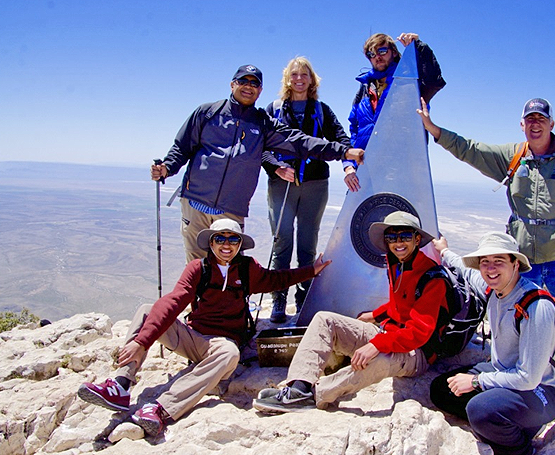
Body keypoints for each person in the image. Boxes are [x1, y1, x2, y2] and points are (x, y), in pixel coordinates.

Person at [417, 97, 555, 388]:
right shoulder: (513, 157)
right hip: (524, 260)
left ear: (551, 124)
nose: (535, 124)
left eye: (541, 119)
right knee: (519, 318)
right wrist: (435, 130)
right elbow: (471, 150)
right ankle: (520, 373)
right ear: (522, 125)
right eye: (530, 119)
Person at [77, 219, 331, 436]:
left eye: (233, 239)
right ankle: (121, 384)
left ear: (240, 244)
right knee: (147, 310)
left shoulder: (247, 268)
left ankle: (161, 408)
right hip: (194, 338)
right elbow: (174, 301)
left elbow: (276, 279)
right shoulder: (199, 268)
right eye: (220, 238)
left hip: (223, 346)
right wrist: (142, 342)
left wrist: (312, 270)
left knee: (229, 353)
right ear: (211, 242)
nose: (226, 245)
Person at [151, 64, 365, 262]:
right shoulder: (208, 113)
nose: (248, 86)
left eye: (254, 83)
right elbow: (182, 147)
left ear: (260, 90)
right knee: (196, 266)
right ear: (232, 84)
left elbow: (300, 142)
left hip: (231, 208)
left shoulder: (262, 123)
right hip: (195, 204)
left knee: (230, 266)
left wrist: (344, 152)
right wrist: (167, 168)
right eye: (243, 81)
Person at [252, 211, 447, 413]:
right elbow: (402, 302)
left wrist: (376, 345)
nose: (398, 242)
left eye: (405, 236)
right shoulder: (397, 262)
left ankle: (317, 395)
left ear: (417, 239)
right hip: (390, 334)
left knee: (378, 359)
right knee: (325, 320)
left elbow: (419, 333)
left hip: (417, 352)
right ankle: (298, 388)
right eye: (392, 237)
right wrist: (375, 315)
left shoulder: (432, 277)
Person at [429, 232, 555, 455]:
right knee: (442, 389)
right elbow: (466, 271)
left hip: (543, 389)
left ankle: (521, 449)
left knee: (480, 409)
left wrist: (476, 381)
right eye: (485, 262)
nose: (491, 268)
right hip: (504, 372)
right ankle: (507, 422)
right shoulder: (495, 290)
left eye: (499, 261)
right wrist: (444, 251)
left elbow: (528, 378)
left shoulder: (535, 306)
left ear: (515, 264)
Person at [261, 57, 351, 323]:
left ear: (312, 79)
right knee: (281, 242)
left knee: (307, 244)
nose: (299, 79)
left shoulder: (322, 110)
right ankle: (279, 299)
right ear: (287, 79)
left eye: (304, 74)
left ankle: (303, 299)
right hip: (282, 184)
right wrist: (276, 168)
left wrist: (348, 164)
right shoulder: (274, 109)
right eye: (294, 74)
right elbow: (260, 146)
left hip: (315, 184)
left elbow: (341, 138)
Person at [343, 32, 445, 192]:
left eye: (382, 51)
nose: (377, 57)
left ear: (394, 52)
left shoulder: (409, 84)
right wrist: (349, 165)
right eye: (371, 54)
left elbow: (433, 81)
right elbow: (354, 130)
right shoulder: (364, 89)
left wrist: (419, 47)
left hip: (401, 173)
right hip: (365, 172)